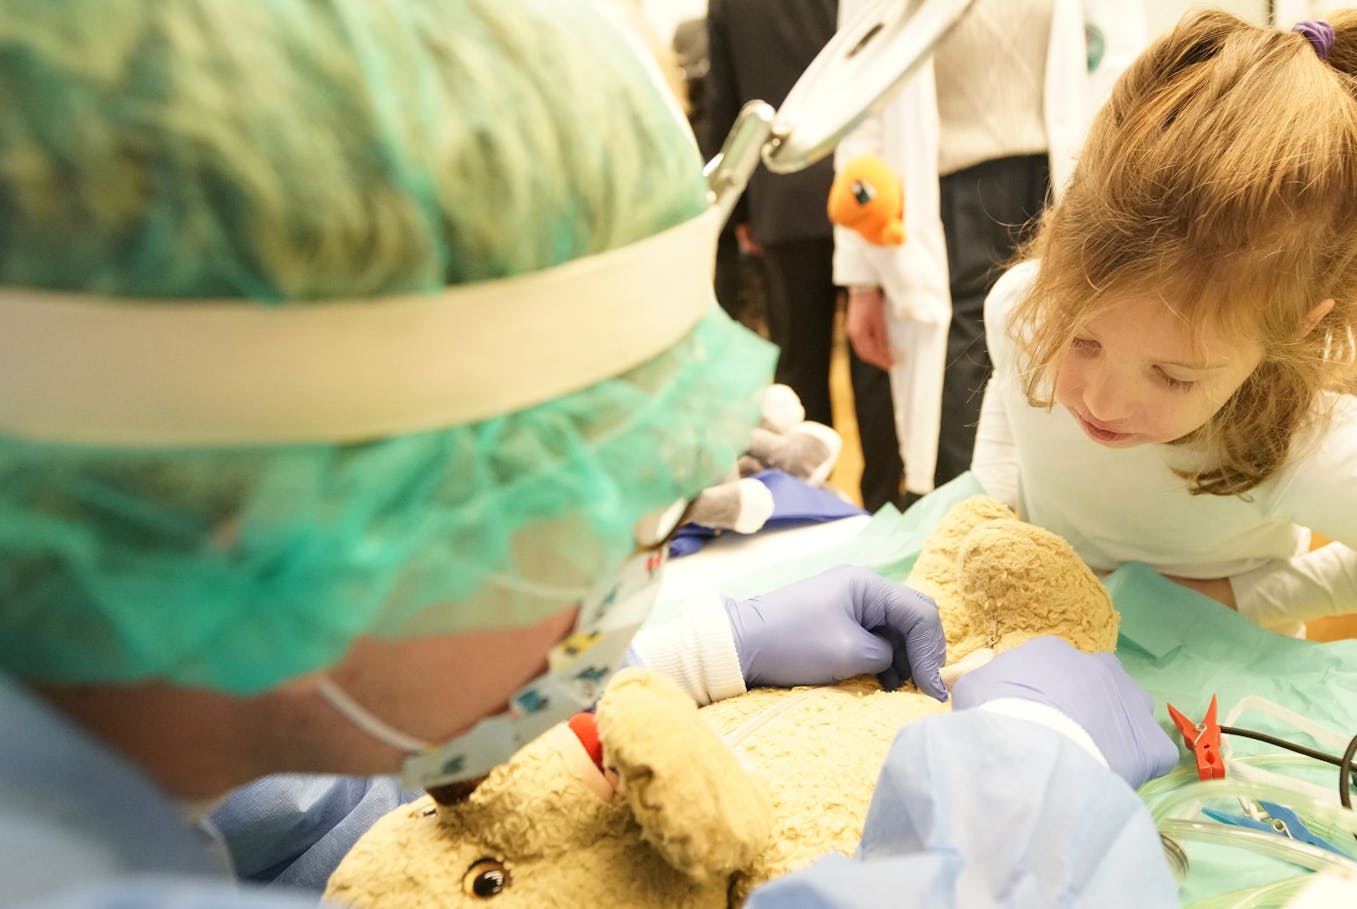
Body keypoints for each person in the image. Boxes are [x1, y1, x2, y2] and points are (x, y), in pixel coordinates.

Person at [0, 2, 1179, 906]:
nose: (631, 569)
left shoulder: (123, 705)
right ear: (299, 527)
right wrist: (1030, 797)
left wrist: (690, 649)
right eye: (613, 500)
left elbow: (276, 791)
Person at [970, 11, 1357, 634]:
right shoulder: (1022, 307)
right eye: (1082, 341)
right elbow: (1007, 388)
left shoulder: (1299, 448)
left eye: (1173, 377)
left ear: (1294, 329)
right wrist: (992, 512)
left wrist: (1227, 598)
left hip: (1223, 685)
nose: (1099, 401)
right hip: (1049, 644)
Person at [834, 0, 1148, 498]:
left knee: (1061, 357)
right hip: (948, 200)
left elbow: (1124, 69)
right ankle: (964, 529)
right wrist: (860, 277)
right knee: (964, 380)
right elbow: (857, 110)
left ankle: (1048, 535)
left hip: (1063, 182)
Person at [704, 0, 904, 510]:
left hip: (783, 198)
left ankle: (813, 505)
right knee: (877, 359)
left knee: (801, 367)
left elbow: (725, 109)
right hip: (865, 191)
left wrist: (742, 211)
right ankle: (884, 505)